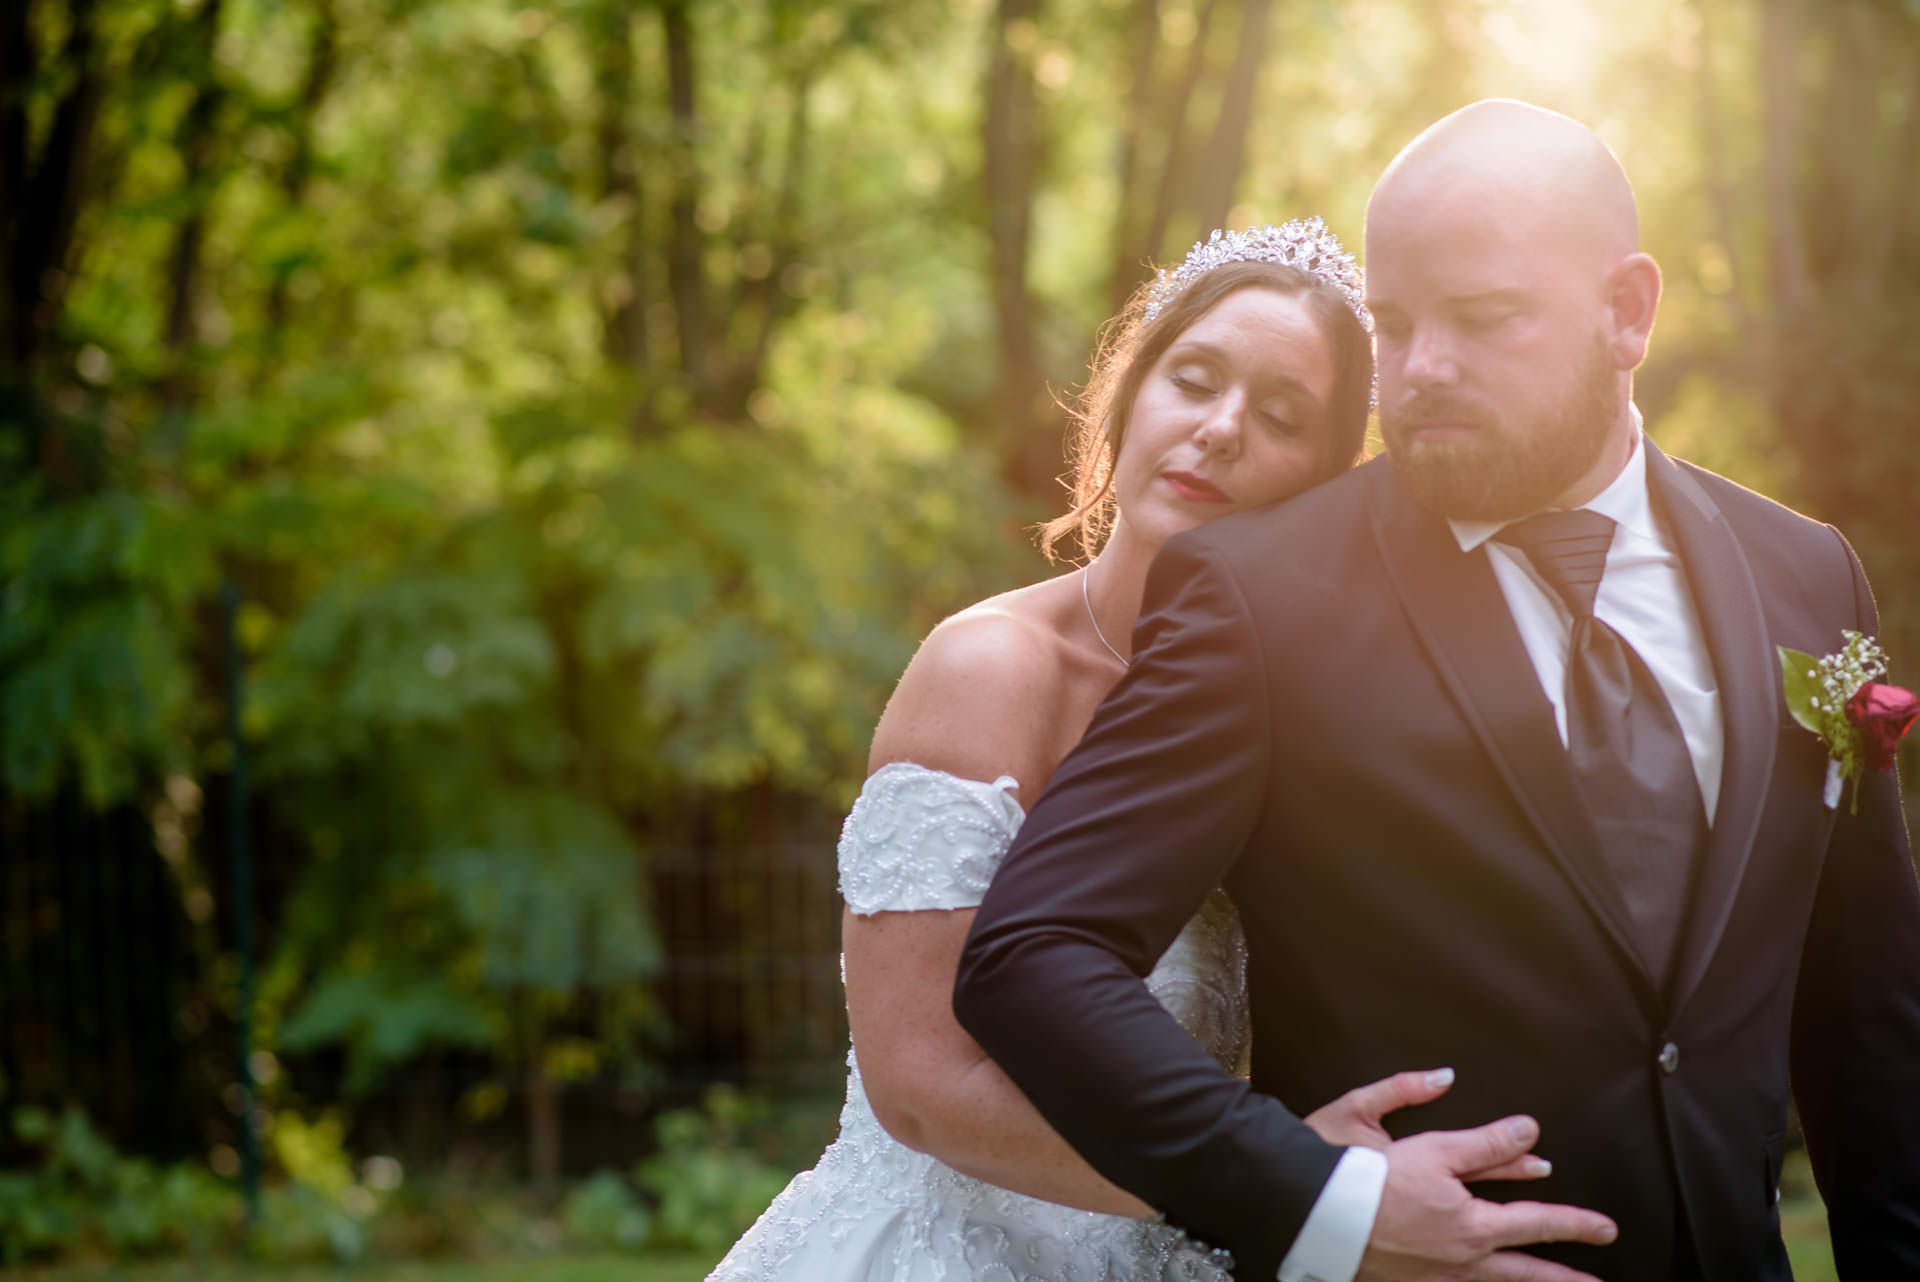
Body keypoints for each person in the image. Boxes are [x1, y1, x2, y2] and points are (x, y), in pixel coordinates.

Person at [955, 100, 1920, 1282]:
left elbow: (1868, 1018)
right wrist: (1319, 1198)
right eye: (1395, 324)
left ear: (1628, 312)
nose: (1421, 372)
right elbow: (1034, 951)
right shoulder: (1261, 595)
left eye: (1483, 320)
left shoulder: (1806, 577)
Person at [706, 218, 1587, 1281]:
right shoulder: (990, 668)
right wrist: (1287, 1184)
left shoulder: (1318, 711)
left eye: (1279, 414)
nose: (1219, 430)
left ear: (1326, 481)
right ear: (1128, 398)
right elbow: (920, 1082)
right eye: (1194, 378)